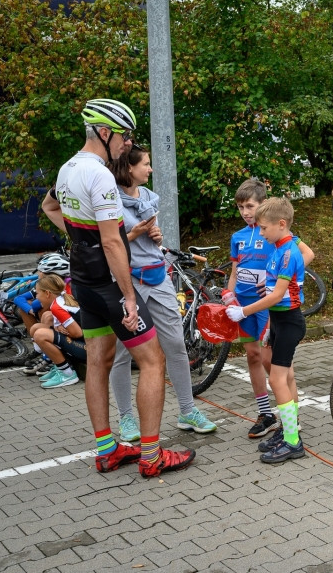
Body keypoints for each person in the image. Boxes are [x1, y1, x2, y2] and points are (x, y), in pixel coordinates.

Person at [42, 98, 193, 477]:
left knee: (98, 361)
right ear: (105, 132)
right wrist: (128, 296)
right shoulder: (100, 175)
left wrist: (82, 239)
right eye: (124, 136)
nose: (128, 143)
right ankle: (152, 454)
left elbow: (50, 207)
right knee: (153, 360)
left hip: (84, 280)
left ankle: (107, 449)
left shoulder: (66, 169)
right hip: (109, 283)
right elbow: (113, 242)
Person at [107, 142, 217, 442]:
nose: (151, 169)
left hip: (157, 277)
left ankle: (187, 410)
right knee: (122, 352)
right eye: (145, 164)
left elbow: (153, 242)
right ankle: (126, 419)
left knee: (176, 345)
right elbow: (110, 244)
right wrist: (135, 233)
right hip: (127, 283)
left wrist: (155, 235)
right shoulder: (109, 200)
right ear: (129, 167)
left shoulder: (147, 197)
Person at [228, 178, 315, 440]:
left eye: (250, 206)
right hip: (244, 303)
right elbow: (235, 271)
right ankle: (266, 413)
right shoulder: (238, 236)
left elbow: (306, 254)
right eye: (240, 207)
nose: (245, 212)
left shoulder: (277, 234)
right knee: (253, 356)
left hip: (271, 305)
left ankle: (291, 419)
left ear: (263, 204)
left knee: (274, 363)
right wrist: (230, 294)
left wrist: (279, 280)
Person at [29, 273, 84, 389]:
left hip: (88, 349)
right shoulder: (61, 298)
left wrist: (58, 330)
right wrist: (57, 329)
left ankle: (67, 373)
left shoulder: (57, 307)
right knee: (36, 327)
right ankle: (58, 365)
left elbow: (78, 333)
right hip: (83, 343)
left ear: (47, 293)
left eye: (38, 293)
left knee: (40, 335)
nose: (36, 297)